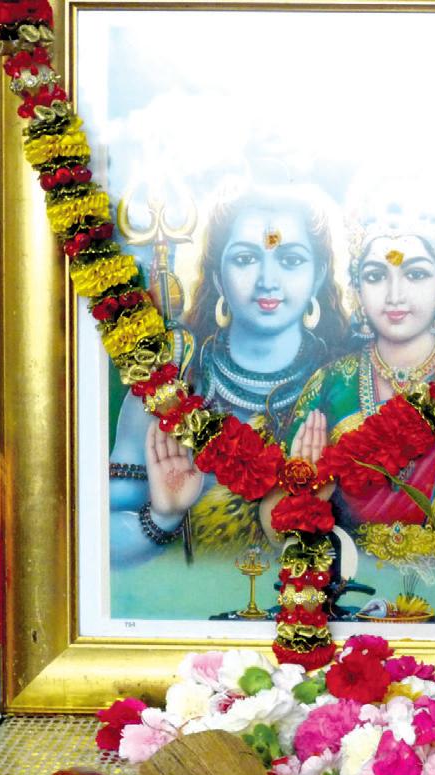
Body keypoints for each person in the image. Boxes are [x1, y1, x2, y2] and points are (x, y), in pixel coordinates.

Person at [284, 199, 435, 616]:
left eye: (415, 274)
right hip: (352, 599)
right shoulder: (329, 386)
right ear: (356, 288)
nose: (395, 295)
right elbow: (276, 522)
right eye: (376, 276)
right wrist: (307, 498)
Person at [108, 184, 347, 567]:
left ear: (318, 275)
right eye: (246, 258)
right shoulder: (172, 385)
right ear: (218, 275)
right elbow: (93, 545)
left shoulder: (347, 385)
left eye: (290, 260)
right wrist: (163, 516)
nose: (267, 280)